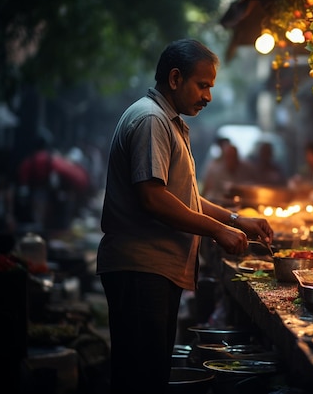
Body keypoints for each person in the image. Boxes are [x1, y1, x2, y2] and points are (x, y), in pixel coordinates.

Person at [96, 39, 274, 394]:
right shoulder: (151, 120)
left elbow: (185, 198)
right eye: (203, 85)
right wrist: (217, 231)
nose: (208, 96)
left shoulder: (168, 120)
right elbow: (154, 199)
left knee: (151, 373)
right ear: (175, 78)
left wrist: (237, 221)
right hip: (140, 268)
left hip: (156, 270)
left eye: (211, 86)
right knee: (140, 378)